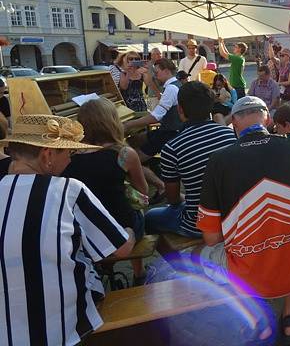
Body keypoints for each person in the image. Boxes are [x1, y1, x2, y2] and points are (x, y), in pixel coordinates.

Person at [196, 96, 290, 344]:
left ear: (235, 125)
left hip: (250, 273)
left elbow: (211, 238)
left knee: (202, 255)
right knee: (288, 236)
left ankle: (256, 318)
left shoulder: (218, 160)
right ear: (269, 119)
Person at [0, 114, 134, 344]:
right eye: (68, 153)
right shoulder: (68, 191)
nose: (71, 161)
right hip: (63, 328)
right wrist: (130, 232)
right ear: (47, 155)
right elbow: (121, 250)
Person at [64, 98, 149, 283]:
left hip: (88, 228)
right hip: (121, 223)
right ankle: (139, 272)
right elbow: (143, 191)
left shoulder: (68, 157)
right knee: (137, 211)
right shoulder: (124, 154)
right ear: (112, 122)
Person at [146, 81, 236, 239]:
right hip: (232, 218)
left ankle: (173, 261)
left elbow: (173, 199)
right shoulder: (230, 135)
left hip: (198, 224)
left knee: (150, 217)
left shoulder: (172, 147)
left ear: (180, 109)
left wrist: (188, 199)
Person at [124, 58, 182, 161]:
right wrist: (150, 82)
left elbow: (156, 117)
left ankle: (142, 171)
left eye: (157, 72)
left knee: (132, 159)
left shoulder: (171, 88)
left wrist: (128, 125)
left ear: (166, 71)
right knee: (133, 140)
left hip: (170, 133)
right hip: (168, 130)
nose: (156, 75)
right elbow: (162, 99)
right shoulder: (174, 85)